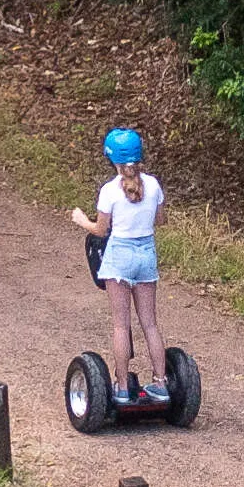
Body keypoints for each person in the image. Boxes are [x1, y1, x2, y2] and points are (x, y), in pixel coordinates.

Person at [72, 125, 164, 389]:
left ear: (111, 157)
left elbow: (100, 230)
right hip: (146, 254)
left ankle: (122, 386)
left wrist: (81, 220)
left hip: (120, 256)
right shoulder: (154, 185)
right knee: (150, 324)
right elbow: (161, 220)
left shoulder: (110, 190)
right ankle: (160, 381)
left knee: (121, 326)